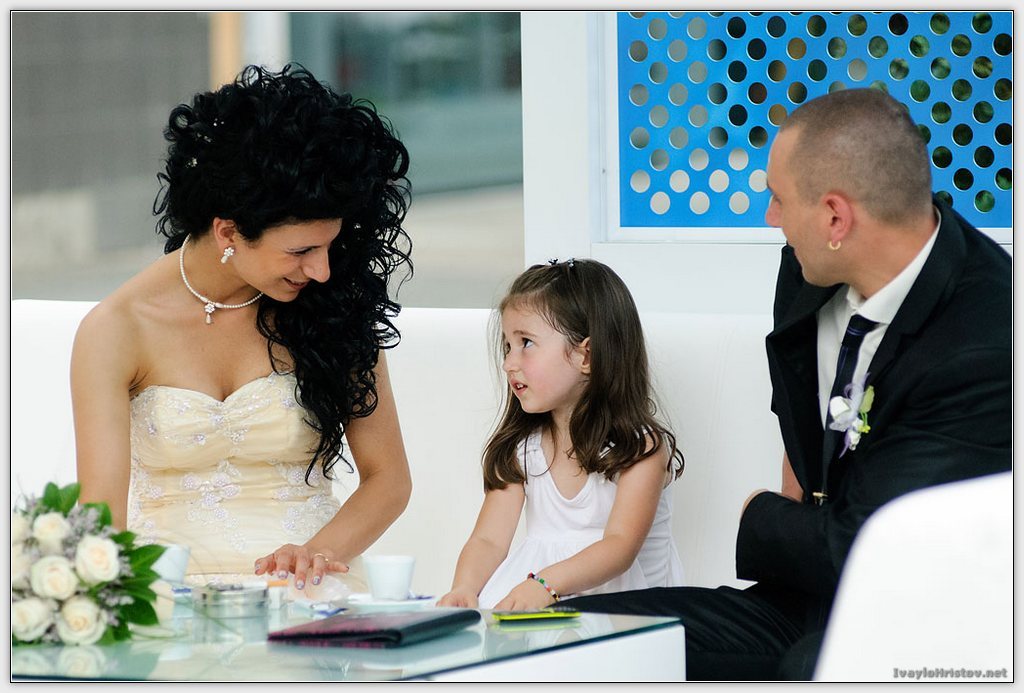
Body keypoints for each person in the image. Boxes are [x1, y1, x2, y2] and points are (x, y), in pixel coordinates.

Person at [560, 88, 1011, 680]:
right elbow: (802, 403)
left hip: (919, 615)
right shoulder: (808, 269)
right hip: (801, 595)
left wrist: (762, 516)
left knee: (807, 668)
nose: (770, 217)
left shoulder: (984, 338)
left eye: (778, 198)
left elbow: (873, 547)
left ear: (835, 217)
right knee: (570, 636)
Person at [70, 64, 414, 593]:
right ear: (228, 232)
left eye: (329, 245)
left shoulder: (335, 308)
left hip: (309, 593)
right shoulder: (116, 329)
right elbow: (102, 521)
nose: (322, 270)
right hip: (170, 595)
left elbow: (389, 480)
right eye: (301, 250)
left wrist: (316, 554)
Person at [437, 259, 686, 610]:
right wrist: (465, 587)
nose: (509, 363)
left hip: (628, 612)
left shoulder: (640, 448)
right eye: (508, 346)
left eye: (526, 343)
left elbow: (620, 547)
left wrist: (545, 584)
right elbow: (489, 540)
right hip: (545, 602)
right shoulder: (523, 451)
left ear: (587, 356)